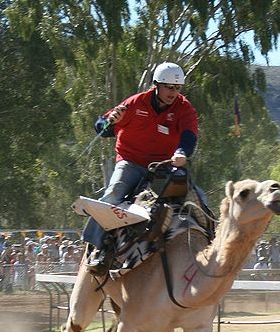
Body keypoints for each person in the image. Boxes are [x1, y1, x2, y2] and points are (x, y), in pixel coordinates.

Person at [83, 62, 199, 274]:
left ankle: (208, 246)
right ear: (156, 85)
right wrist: (108, 122)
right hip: (131, 162)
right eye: (169, 87)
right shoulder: (136, 103)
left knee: (197, 199)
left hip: (164, 166)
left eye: (178, 88)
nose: (174, 93)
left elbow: (189, 134)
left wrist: (182, 152)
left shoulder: (184, 108)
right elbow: (101, 128)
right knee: (113, 195)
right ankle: (96, 248)